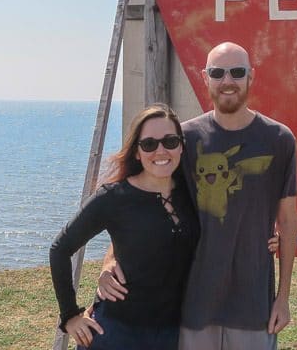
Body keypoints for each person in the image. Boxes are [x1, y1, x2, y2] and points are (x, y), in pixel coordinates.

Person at [98, 41, 297, 350]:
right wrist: (110, 261)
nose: (227, 81)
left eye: (237, 72)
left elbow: (287, 222)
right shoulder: (183, 139)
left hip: (254, 306)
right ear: (205, 78)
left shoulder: (279, 140)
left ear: (251, 76)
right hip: (191, 304)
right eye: (218, 72)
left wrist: (283, 299)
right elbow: (145, 202)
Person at [50, 103, 198, 350]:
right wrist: (70, 317)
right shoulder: (114, 197)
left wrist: (272, 235)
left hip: (173, 334)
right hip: (117, 333)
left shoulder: (192, 192)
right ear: (137, 152)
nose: (160, 150)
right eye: (149, 144)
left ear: (181, 146)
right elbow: (60, 249)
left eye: (170, 141)